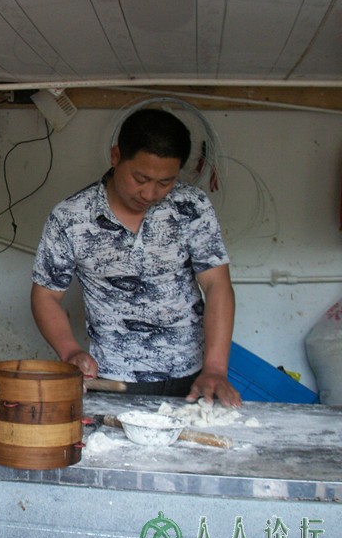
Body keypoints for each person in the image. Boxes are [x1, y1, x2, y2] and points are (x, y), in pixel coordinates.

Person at [31, 108, 241, 407]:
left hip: (193, 376)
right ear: (116, 156)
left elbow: (217, 285)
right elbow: (46, 295)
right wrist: (70, 352)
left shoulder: (191, 207)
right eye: (140, 178)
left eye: (165, 182)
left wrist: (216, 368)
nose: (150, 193)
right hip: (114, 377)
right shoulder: (71, 217)